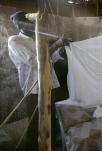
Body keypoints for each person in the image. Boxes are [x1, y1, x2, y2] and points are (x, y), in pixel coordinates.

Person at [8, 11, 69, 150]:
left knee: (51, 117)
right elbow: (36, 62)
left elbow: (50, 60)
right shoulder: (15, 41)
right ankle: (31, 147)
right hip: (34, 88)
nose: (33, 25)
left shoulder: (38, 40)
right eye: (30, 23)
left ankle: (51, 144)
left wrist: (59, 48)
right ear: (19, 25)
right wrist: (55, 44)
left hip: (50, 84)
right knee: (35, 122)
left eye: (33, 23)